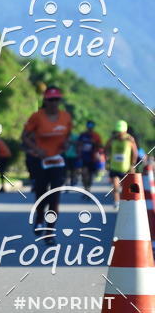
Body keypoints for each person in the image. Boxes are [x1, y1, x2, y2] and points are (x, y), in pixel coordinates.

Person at [22, 88, 73, 234]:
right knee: (41, 193)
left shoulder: (66, 117)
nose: (54, 103)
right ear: (45, 100)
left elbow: (68, 136)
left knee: (54, 197)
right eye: (51, 100)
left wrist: (66, 144)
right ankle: (39, 219)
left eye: (57, 99)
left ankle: (50, 230)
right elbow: (25, 136)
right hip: (41, 161)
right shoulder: (37, 117)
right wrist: (36, 149)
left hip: (58, 161)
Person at [105, 120, 138, 209]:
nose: (120, 134)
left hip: (126, 168)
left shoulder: (130, 140)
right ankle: (117, 202)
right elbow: (106, 149)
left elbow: (135, 153)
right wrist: (107, 160)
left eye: (121, 132)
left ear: (125, 131)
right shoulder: (113, 139)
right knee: (115, 186)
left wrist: (132, 164)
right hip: (114, 167)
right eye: (118, 132)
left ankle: (125, 203)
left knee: (125, 188)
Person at [76, 120, 102, 193]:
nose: (90, 128)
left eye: (91, 126)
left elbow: (100, 146)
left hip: (92, 158)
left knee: (90, 175)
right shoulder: (82, 135)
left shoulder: (96, 135)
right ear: (87, 126)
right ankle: (85, 188)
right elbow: (78, 144)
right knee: (84, 174)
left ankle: (88, 189)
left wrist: (94, 143)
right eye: (88, 126)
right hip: (84, 157)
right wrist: (78, 152)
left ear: (93, 127)